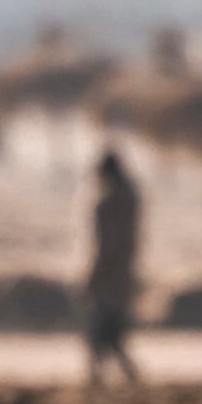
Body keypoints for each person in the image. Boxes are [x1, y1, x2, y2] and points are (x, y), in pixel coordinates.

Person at [82, 147, 143, 386]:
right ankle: (120, 376)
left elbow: (105, 245)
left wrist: (95, 274)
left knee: (101, 330)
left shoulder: (108, 204)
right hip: (124, 275)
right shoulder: (131, 200)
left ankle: (98, 378)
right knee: (113, 333)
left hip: (109, 276)